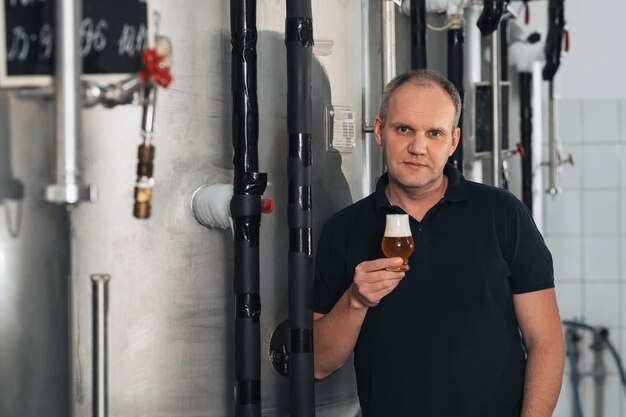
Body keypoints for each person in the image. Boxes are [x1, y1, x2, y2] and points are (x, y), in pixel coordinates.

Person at [312, 69, 565, 417]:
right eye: (404, 129)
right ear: (380, 130)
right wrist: (356, 301)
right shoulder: (344, 229)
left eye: (434, 133)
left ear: (453, 140)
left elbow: (546, 343)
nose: (418, 147)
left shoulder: (502, 215)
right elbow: (319, 364)